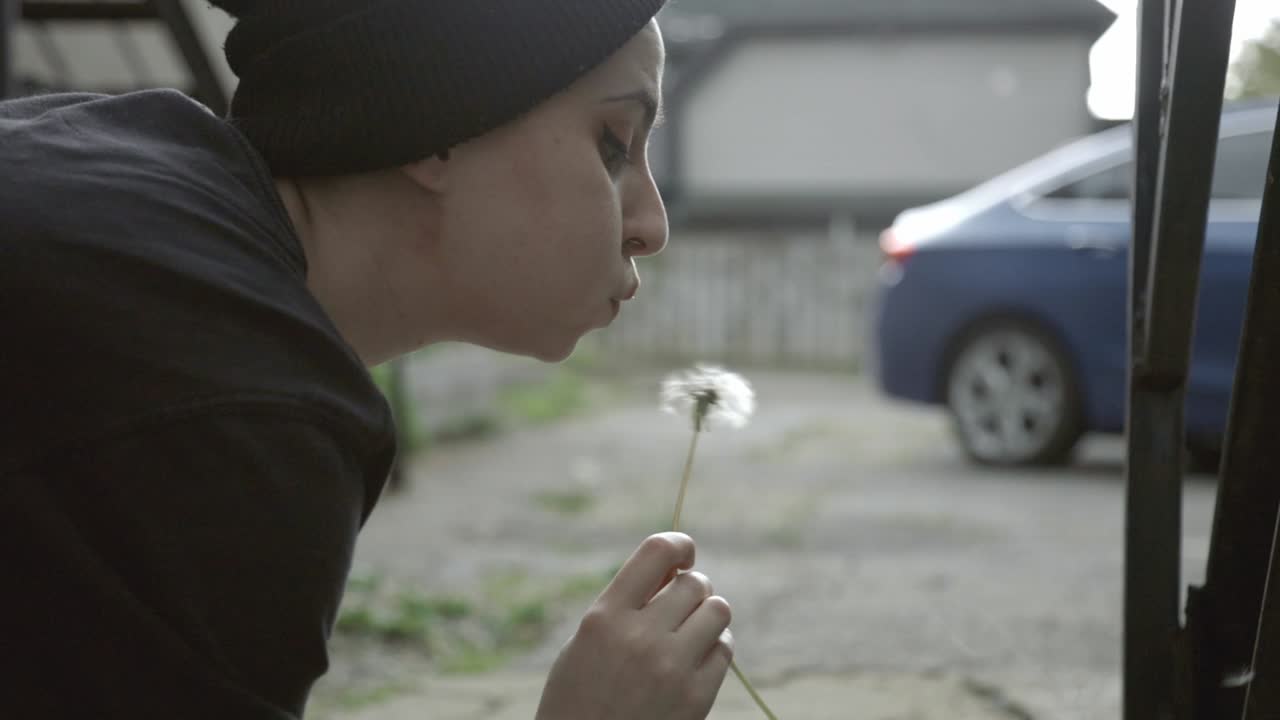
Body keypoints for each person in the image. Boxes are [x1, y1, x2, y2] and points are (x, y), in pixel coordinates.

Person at [0, 2, 734, 718]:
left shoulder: (109, 182)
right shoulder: (235, 405)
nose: (652, 226)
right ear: (438, 120)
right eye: (612, 144)